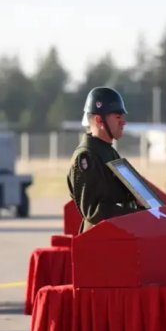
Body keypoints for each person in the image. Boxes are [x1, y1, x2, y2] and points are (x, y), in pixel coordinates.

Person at [68, 87, 141, 231]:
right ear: (99, 120)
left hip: (118, 237)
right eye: (118, 117)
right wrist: (136, 215)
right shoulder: (87, 156)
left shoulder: (107, 151)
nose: (123, 123)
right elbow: (94, 211)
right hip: (100, 243)